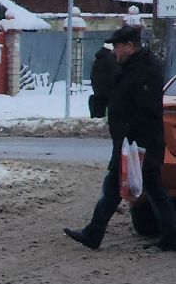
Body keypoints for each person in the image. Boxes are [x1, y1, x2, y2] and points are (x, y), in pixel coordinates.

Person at [65, 26, 176, 250]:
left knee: (132, 186)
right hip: (131, 142)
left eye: (118, 46)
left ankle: (94, 233)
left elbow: (145, 110)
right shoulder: (129, 67)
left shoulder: (146, 70)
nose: (115, 51)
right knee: (141, 187)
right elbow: (111, 91)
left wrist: (129, 134)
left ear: (130, 46)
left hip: (139, 143)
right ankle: (95, 233)